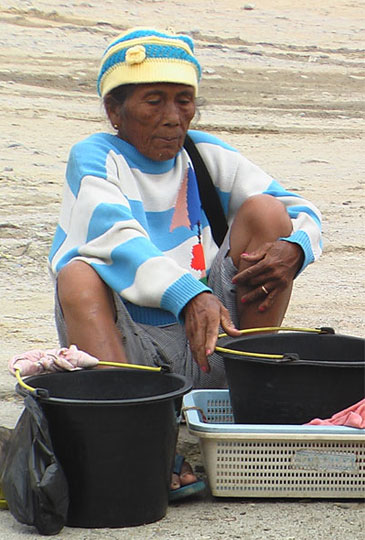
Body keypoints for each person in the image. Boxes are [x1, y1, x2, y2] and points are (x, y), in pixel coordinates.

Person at [48, 28, 322, 498]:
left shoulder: (204, 153)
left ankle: (251, 402)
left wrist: (295, 248)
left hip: (213, 341)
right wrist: (188, 294)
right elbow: (115, 237)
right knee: (77, 274)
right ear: (115, 111)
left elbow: (300, 210)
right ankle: (133, 434)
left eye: (183, 100)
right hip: (127, 350)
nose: (173, 118)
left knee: (268, 215)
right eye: (153, 101)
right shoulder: (95, 157)